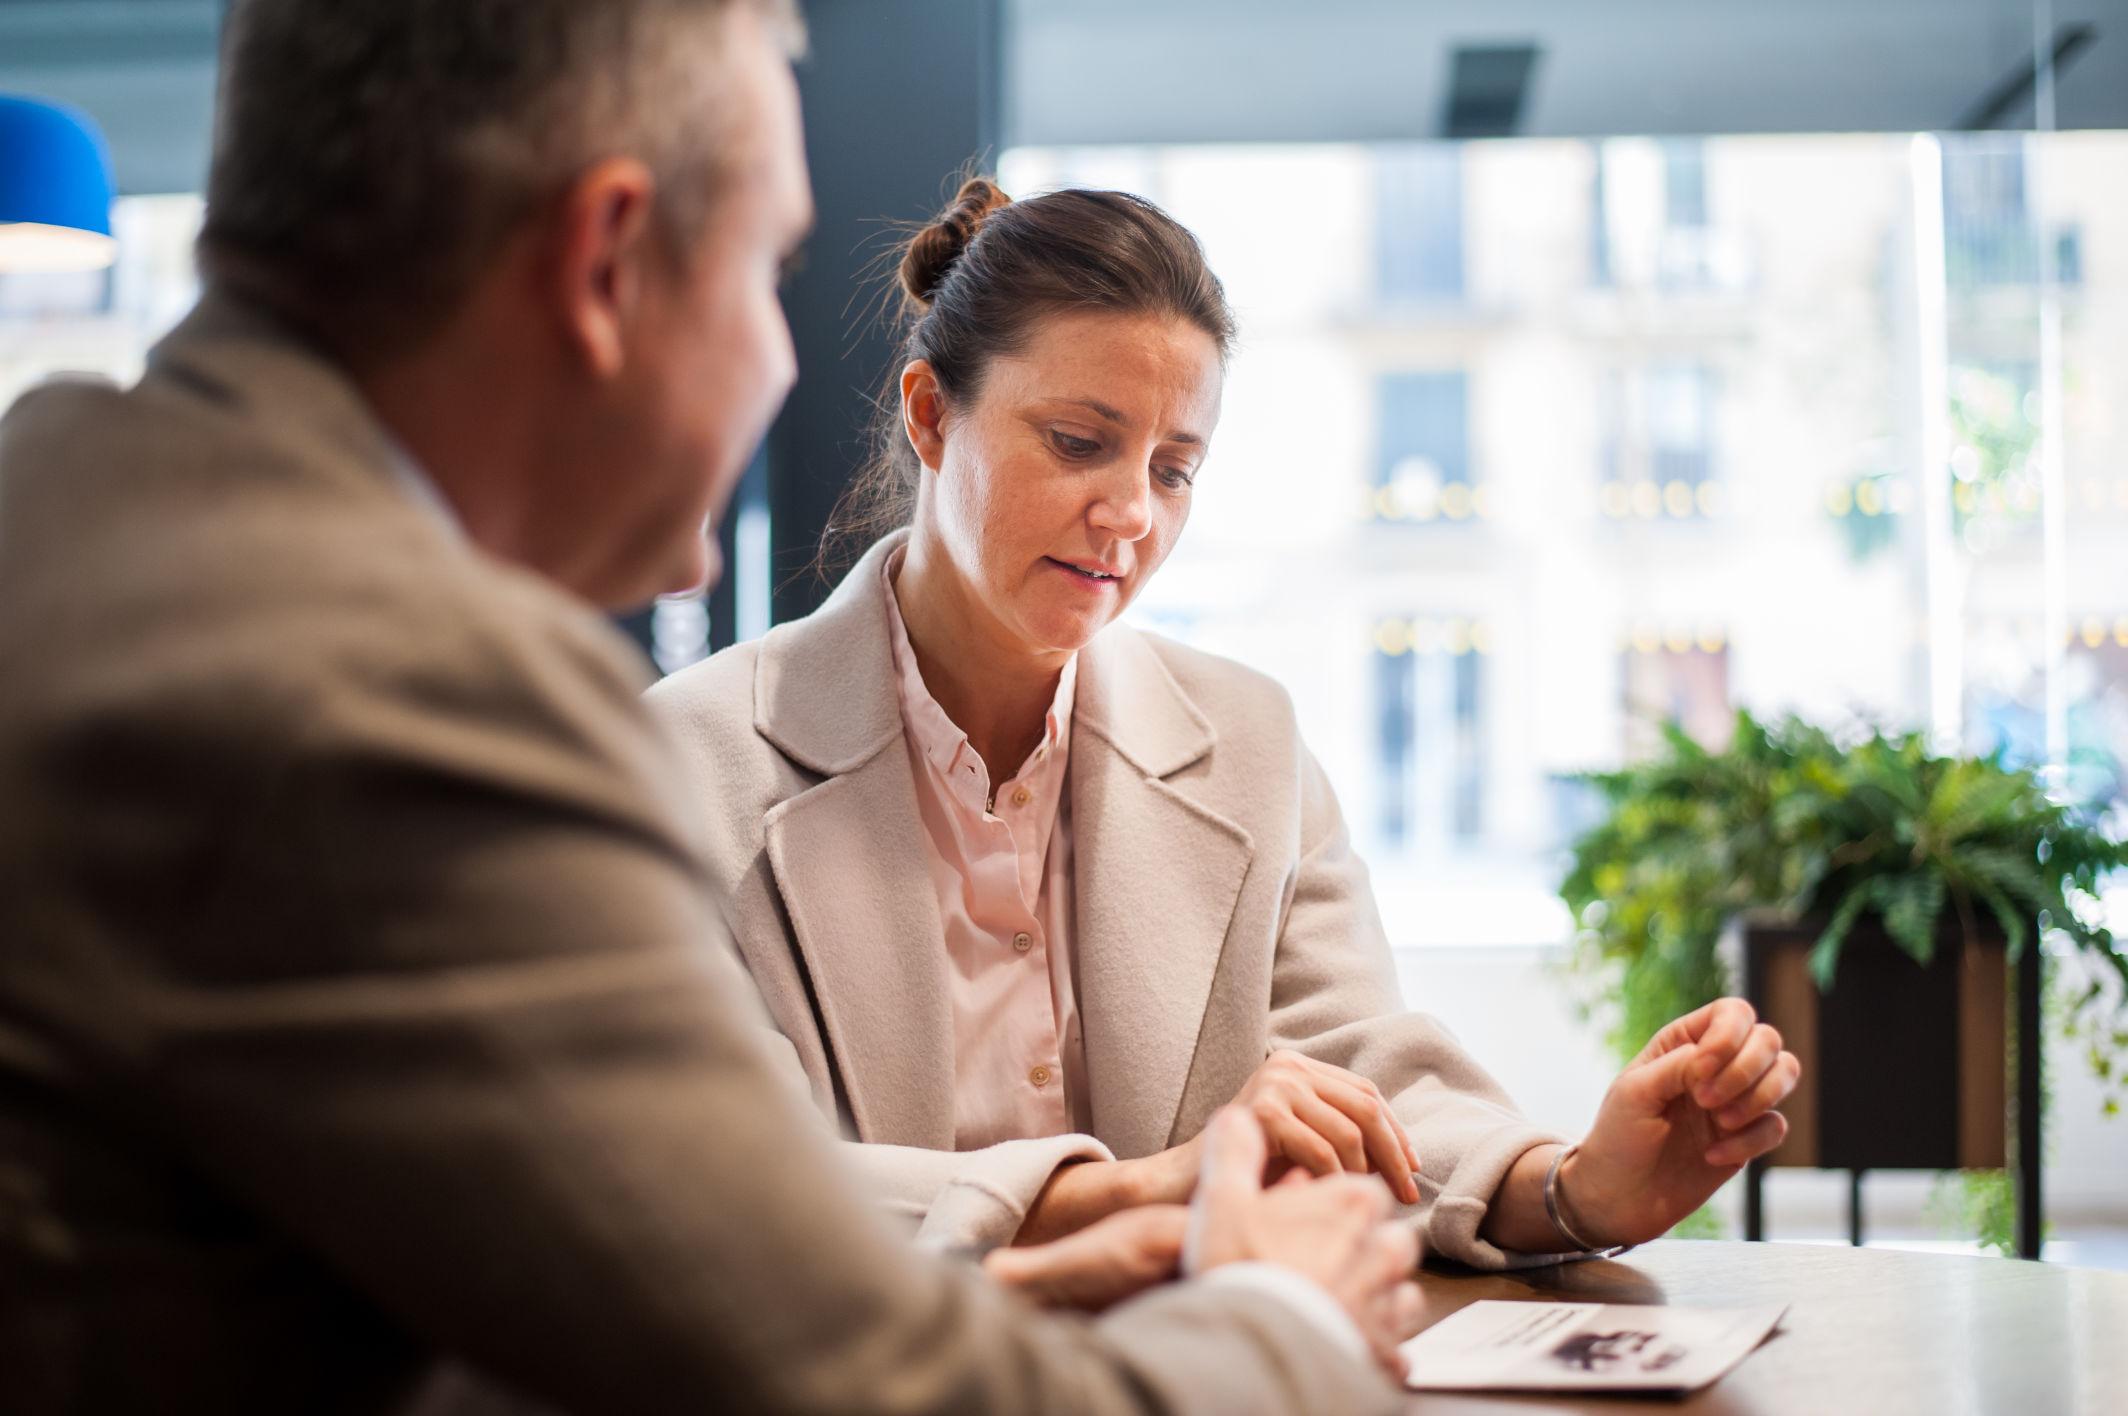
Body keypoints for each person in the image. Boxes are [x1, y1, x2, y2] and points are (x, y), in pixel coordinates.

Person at [0, 3, 1424, 1412]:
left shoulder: (63, 511)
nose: (784, 360)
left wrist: (1007, 1282)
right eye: (766, 270)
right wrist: (1282, 1315)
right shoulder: (393, 701)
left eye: (1174, 466)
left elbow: (478, 1295)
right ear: (606, 260)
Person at [647, 177, 1803, 1263]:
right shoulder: (686, 764)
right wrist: (1152, 1191)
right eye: (1078, 442)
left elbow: (1358, 1078)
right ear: (931, 417)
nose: (1128, 515)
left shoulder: (1247, 743)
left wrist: (1574, 1188)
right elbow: (707, 1169)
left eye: (1174, 469)